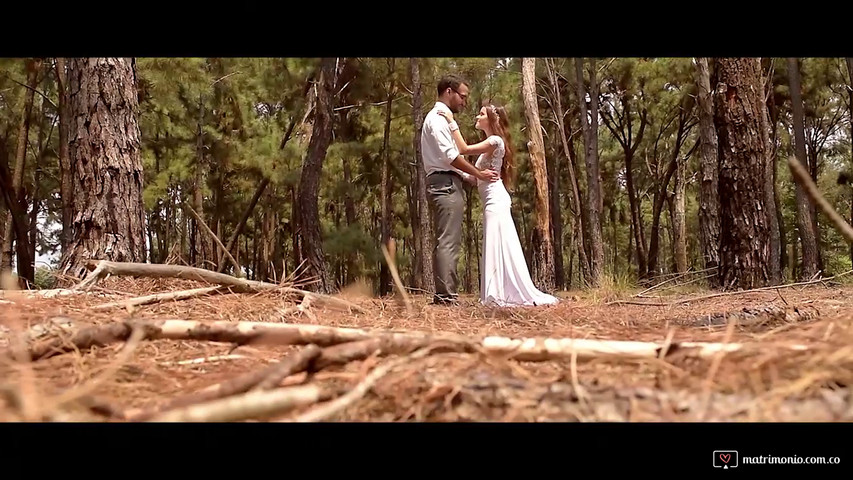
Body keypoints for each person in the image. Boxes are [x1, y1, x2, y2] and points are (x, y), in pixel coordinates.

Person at [437, 101, 559, 307]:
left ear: (491, 120)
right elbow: (476, 179)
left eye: (481, 114)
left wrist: (451, 121)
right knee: (496, 244)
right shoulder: (489, 146)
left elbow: (463, 148)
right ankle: (497, 291)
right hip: (490, 201)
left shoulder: (495, 141)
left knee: (497, 243)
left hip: (496, 200)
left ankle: (498, 293)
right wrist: (455, 170)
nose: (477, 117)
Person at [421, 74, 500, 305]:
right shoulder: (437, 119)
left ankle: (445, 293)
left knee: (449, 238)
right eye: (462, 96)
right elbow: (451, 157)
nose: (464, 102)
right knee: (448, 240)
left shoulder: (441, 119)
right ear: (449, 92)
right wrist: (478, 174)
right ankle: (446, 296)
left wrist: (466, 176)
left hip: (448, 181)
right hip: (444, 185)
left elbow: (448, 160)